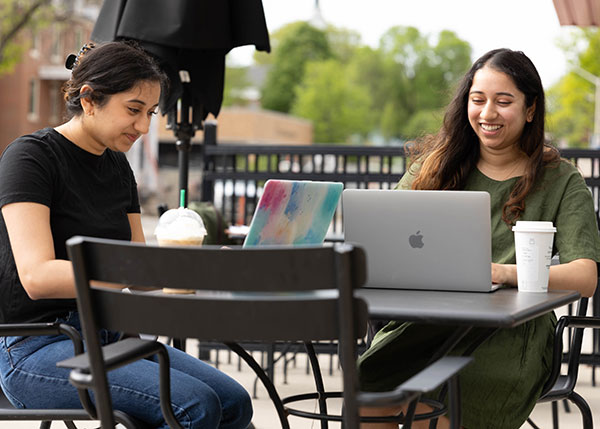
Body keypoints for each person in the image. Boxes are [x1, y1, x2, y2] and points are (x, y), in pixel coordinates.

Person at [0, 41, 253, 429]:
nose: (144, 126)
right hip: (36, 346)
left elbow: (144, 275)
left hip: (111, 336)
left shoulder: (118, 168)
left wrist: (204, 265)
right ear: (89, 99)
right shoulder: (31, 158)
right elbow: (37, 277)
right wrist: (131, 273)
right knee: (195, 406)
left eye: (151, 112)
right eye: (133, 110)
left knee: (234, 402)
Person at [358, 48, 600, 429]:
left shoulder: (562, 180)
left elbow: (586, 276)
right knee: (364, 396)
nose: (488, 113)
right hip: (424, 327)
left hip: (511, 335)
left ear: (530, 109)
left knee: (430, 412)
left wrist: (504, 273)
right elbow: (385, 237)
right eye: (478, 99)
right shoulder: (433, 168)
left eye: (504, 102)